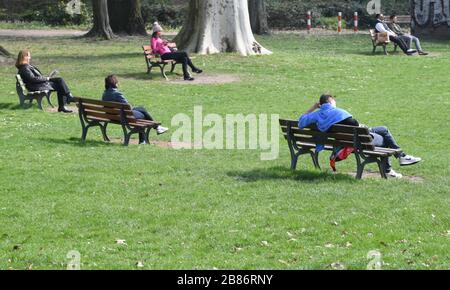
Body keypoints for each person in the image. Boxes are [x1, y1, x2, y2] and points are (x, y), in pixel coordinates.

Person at [298, 94, 422, 178]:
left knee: (382, 130)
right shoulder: (339, 112)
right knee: (384, 136)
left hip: (345, 141)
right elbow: (355, 124)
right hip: (358, 141)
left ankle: (398, 161)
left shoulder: (316, 115)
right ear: (330, 102)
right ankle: (398, 160)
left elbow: (300, 121)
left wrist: (313, 107)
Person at [102, 75, 168, 144]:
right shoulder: (117, 93)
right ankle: (149, 134)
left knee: (141, 108)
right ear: (114, 83)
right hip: (124, 116)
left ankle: (157, 128)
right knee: (143, 114)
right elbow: (128, 107)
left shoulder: (105, 93)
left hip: (112, 117)